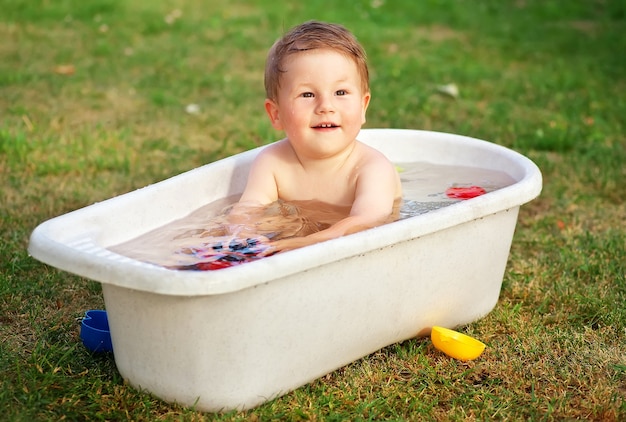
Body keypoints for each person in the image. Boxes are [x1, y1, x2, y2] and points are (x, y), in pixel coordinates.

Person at [231, 20, 402, 253]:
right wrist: (239, 241)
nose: (325, 106)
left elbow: (367, 223)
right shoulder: (273, 163)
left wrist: (298, 244)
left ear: (363, 107)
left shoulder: (372, 168)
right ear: (276, 114)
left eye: (340, 92)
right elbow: (247, 212)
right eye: (307, 94)